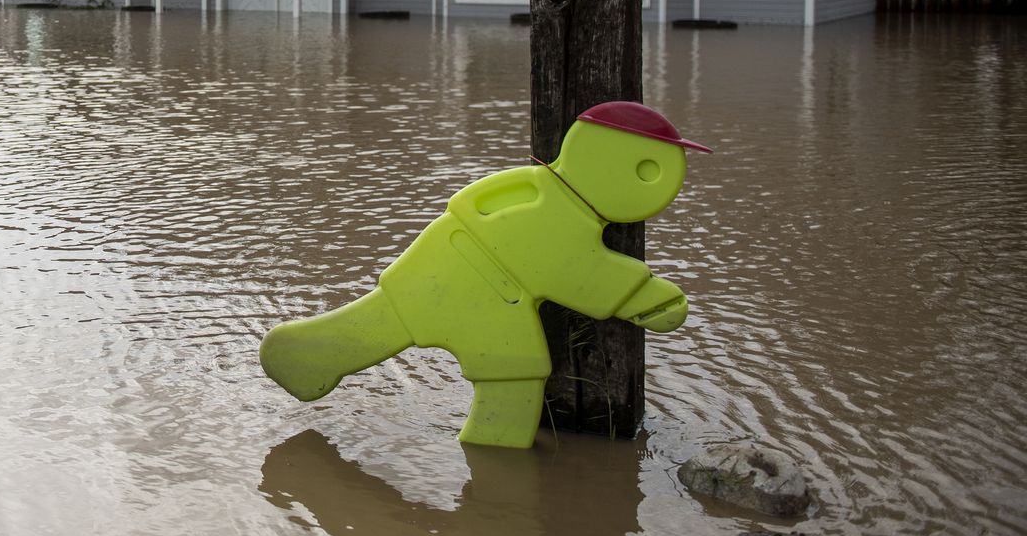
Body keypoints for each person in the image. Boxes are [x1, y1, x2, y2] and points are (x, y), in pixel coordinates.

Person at [259, 101, 709, 448]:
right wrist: (643, 295)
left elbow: (571, 266)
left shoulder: (537, 194)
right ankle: (495, 463)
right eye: (649, 168)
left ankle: (309, 355)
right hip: (472, 285)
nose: (663, 182)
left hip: (462, 279)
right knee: (514, 372)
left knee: (387, 329)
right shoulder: (547, 206)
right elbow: (572, 274)